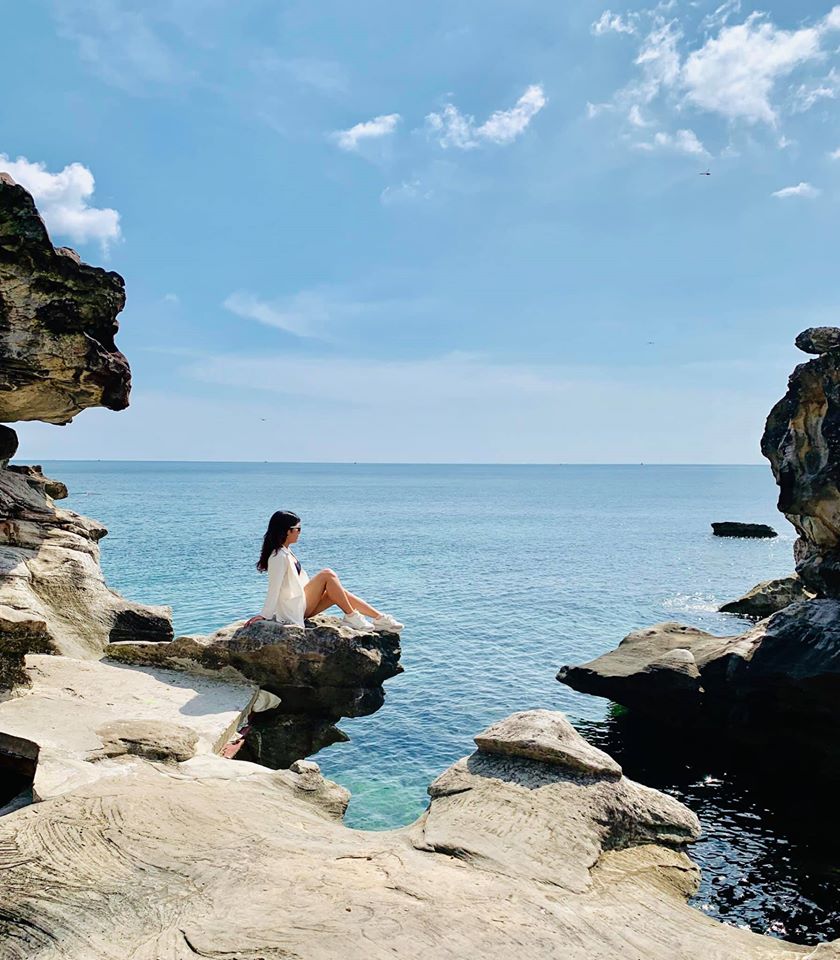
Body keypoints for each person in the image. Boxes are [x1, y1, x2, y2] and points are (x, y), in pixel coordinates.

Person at [256, 510, 403, 632]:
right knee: (327, 574)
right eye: (298, 529)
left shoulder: (286, 551)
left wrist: (317, 592)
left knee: (338, 592)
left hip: (301, 604)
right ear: (287, 531)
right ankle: (351, 616)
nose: (299, 533)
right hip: (293, 610)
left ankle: (379, 618)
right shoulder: (277, 557)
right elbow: (274, 589)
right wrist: (264, 615)